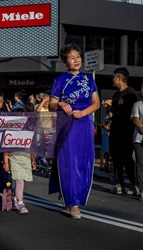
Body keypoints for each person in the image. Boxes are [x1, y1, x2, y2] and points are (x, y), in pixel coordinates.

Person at [48, 44, 100, 220]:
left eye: (78, 56)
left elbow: (96, 103)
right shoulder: (60, 80)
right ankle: (73, 203)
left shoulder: (89, 79)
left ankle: (73, 194)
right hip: (67, 125)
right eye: (72, 57)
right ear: (65, 62)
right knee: (69, 161)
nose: (76, 60)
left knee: (83, 161)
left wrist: (83, 113)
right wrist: (62, 104)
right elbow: (51, 105)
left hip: (84, 124)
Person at [109, 67, 141, 195]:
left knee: (128, 158)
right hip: (115, 131)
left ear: (119, 78)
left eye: (113, 77)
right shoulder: (116, 95)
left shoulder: (133, 94)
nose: (112, 79)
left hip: (127, 131)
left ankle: (135, 185)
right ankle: (119, 183)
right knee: (116, 158)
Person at [130, 82, 143, 201]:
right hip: (139, 139)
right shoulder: (137, 104)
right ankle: (141, 189)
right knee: (140, 163)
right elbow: (135, 120)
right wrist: (141, 127)